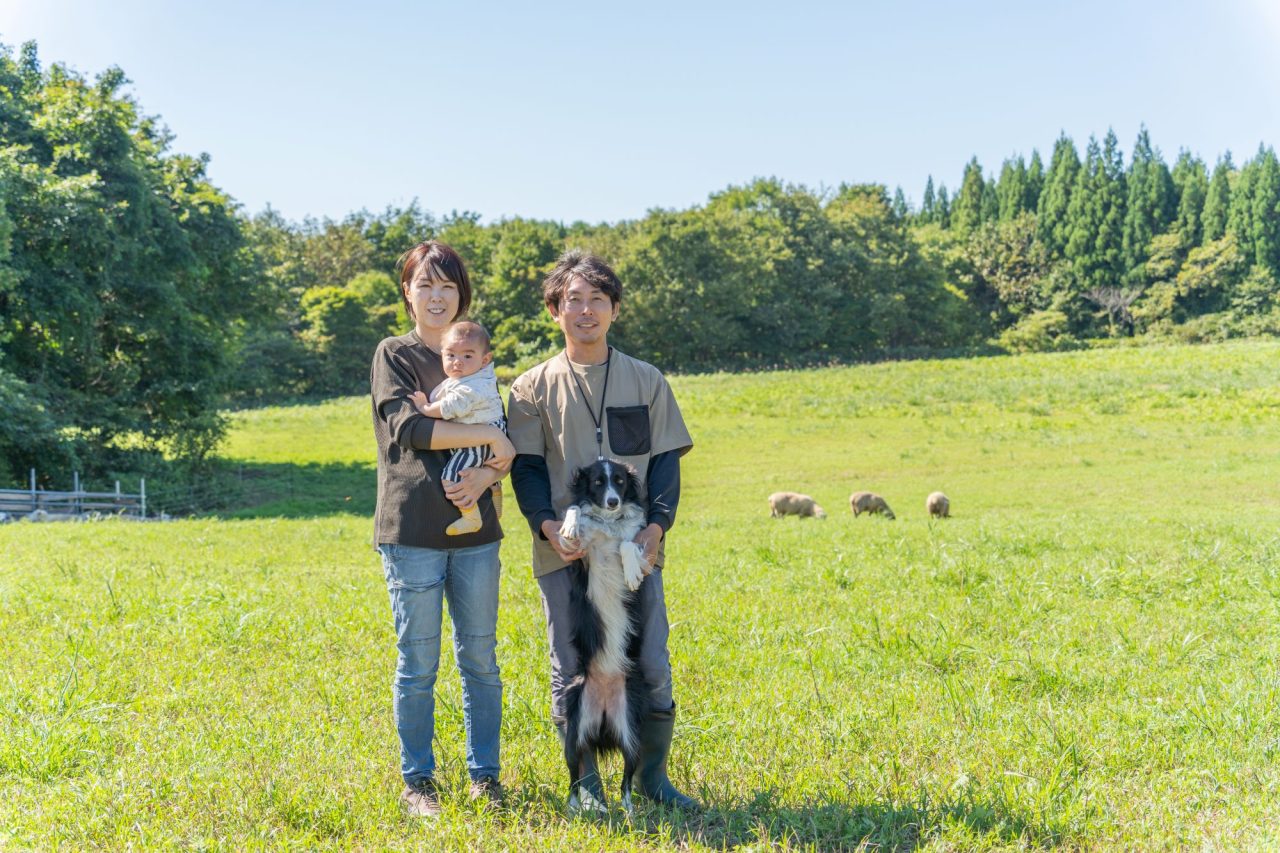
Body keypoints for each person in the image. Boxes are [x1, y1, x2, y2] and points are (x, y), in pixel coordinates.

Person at [507, 250, 700, 810]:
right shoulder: (530, 388)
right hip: (564, 556)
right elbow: (527, 467)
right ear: (554, 311)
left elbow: (665, 461)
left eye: (597, 299)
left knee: (653, 662)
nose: (585, 310)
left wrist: (657, 529)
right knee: (569, 668)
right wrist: (546, 526)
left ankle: (651, 780)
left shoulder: (647, 380)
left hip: (635, 554)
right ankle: (583, 784)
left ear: (614, 309)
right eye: (573, 300)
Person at [370, 240, 514, 818]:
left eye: (447, 286)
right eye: (425, 285)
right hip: (411, 530)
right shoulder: (394, 354)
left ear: (462, 295)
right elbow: (409, 429)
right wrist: (493, 442)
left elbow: (502, 430)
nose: (437, 297)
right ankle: (418, 783)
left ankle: (485, 776)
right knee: (418, 662)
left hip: (477, 533)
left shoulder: (476, 355)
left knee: (480, 658)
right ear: (407, 292)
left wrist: (488, 468)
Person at [408, 320, 506, 536]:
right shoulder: (471, 377)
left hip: (478, 441)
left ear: (485, 359)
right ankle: (495, 487)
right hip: (483, 434)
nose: (457, 362)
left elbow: (449, 408)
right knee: (475, 471)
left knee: (452, 477)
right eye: (451, 355)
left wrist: (425, 407)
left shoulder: (473, 386)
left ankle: (471, 516)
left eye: (467, 356)